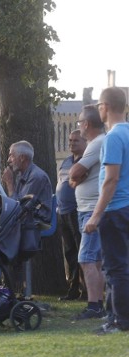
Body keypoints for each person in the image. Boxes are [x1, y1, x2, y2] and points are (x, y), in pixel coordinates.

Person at [84, 87, 129, 334]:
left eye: (99, 105)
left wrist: (96, 214)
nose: (98, 109)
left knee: (115, 268)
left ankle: (119, 321)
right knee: (124, 266)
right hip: (127, 207)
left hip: (115, 209)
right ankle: (115, 316)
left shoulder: (113, 137)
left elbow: (111, 179)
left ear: (106, 107)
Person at [69, 106, 106, 318]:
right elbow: (75, 176)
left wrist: (77, 176)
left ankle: (94, 306)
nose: (78, 127)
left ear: (86, 124)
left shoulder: (96, 143)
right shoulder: (98, 143)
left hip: (92, 209)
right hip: (88, 208)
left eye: (79, 123)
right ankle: (99, 303)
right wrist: (77, 176)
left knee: (87, 258)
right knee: (96, 260)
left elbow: (74, 171)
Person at [56, 130, 86, 301]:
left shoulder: (86, 162)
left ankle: (85, 291)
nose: (72, 143)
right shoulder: (66, 161)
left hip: (77, 211)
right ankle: (73, 289)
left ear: (85, 142)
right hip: (63, 212)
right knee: (70, 253)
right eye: (70, 140)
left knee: (82, 251)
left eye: (76, 140)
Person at [1, 141, 52, 224]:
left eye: (11, 156)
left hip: (36, 221)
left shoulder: (36, 177)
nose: (8, 160)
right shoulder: (21, 175)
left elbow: (19, 208)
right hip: (26, 219)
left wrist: (9, 183)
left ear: (22, 158)